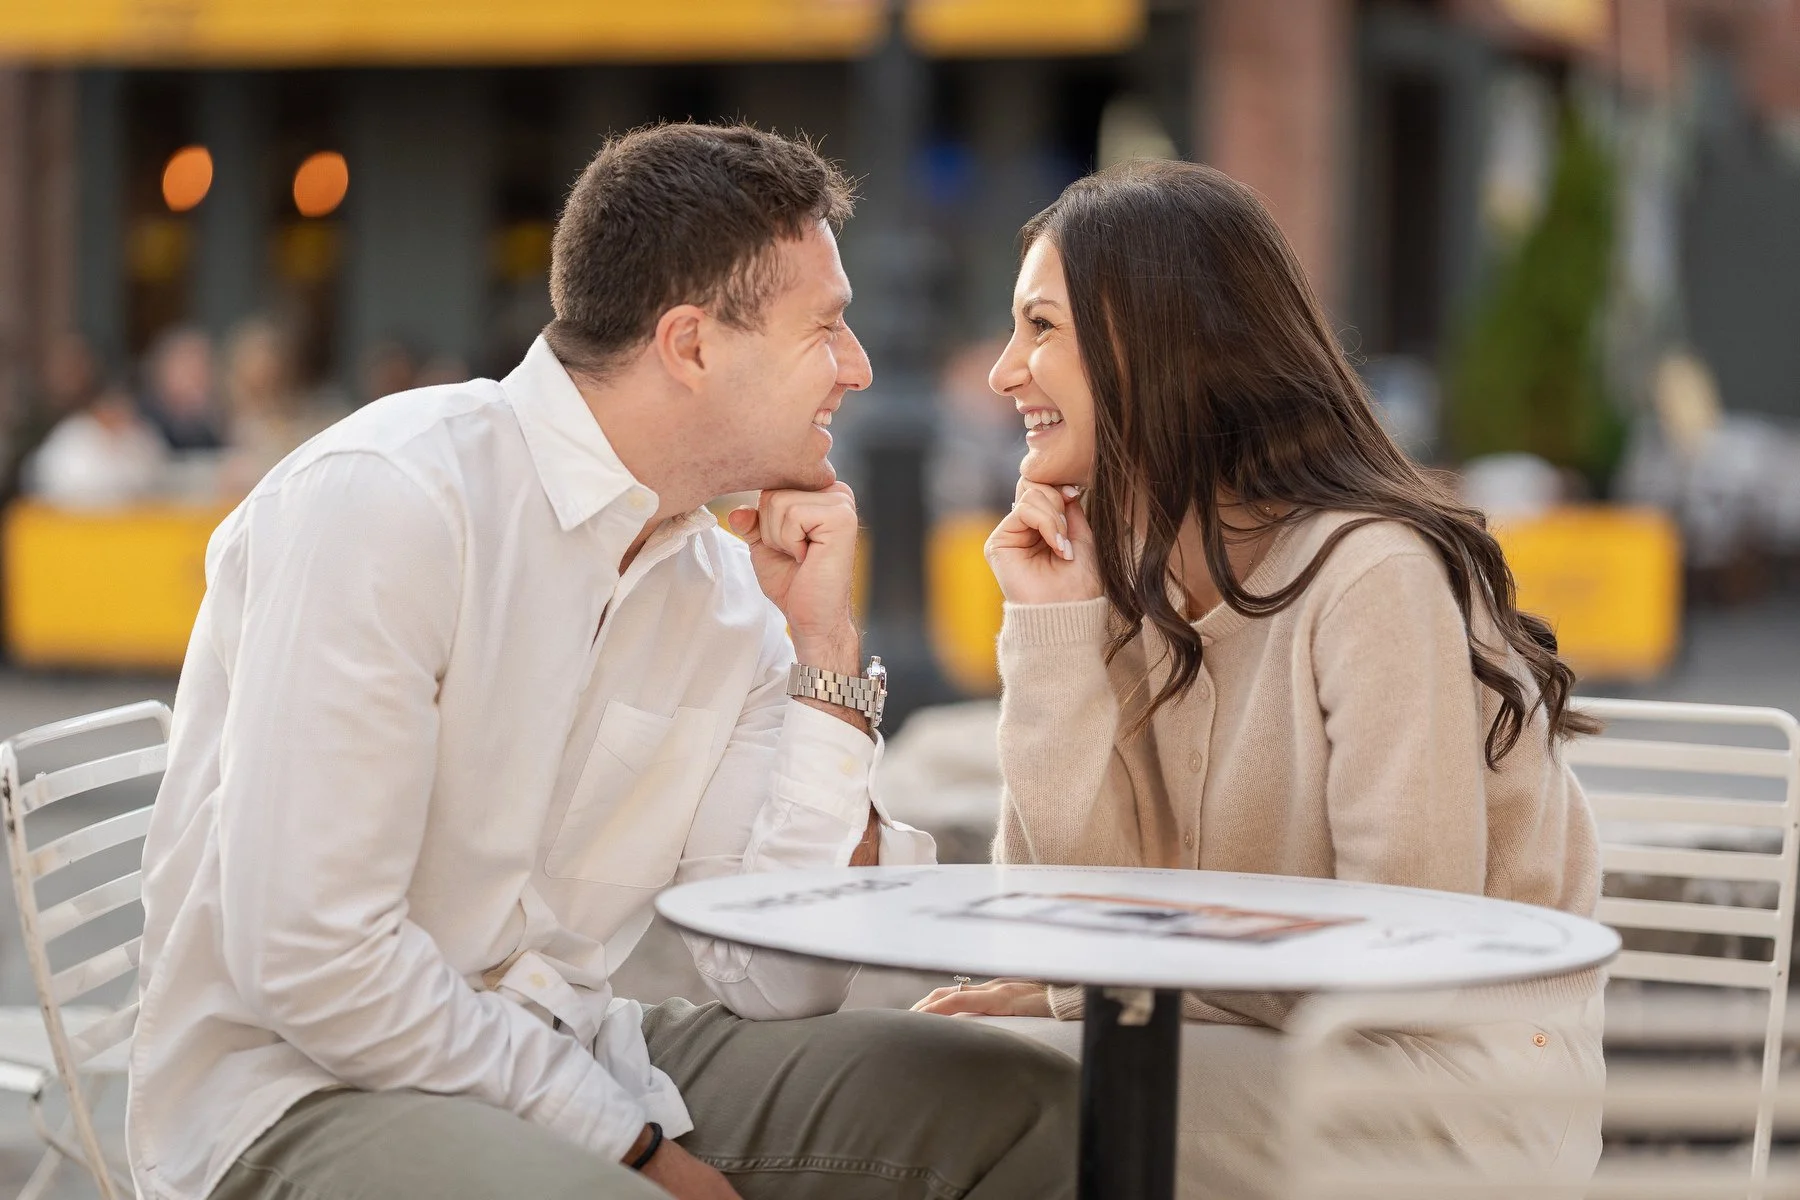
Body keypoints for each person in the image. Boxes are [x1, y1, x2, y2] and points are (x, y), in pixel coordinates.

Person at [131, 123, 1077, 1200]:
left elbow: (781, 976)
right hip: (296, 1096)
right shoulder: (390, 501)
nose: (858, 368)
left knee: (1022, 1111)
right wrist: (625, 1146)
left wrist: (825, 651)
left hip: (581, 1053)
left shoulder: (725, 594)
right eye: (828, 327)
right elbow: (314, 963)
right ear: (690, 345)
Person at [913, 160, 1605, 1197]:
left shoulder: (1371, 571)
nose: (1006, 370)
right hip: (1252, 1055)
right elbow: (1058, 926)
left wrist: (1085, 1004)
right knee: (937, 1076)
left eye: (1042, 327)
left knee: (988, 1103)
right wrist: (1051, 626)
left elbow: (1402, 953)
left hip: (1449, 1088)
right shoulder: (1123, 577)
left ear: (1160, 345)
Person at [24, 378, 167, 507]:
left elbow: (153, 479)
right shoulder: (73, 436)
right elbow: (55, 483)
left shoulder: (139, 436)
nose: (118, 413)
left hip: (130, 524)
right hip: (74, 523)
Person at [140, 325, 224, 451]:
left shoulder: (212, 419)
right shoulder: (142, 418)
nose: (197, 375)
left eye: (203, 365)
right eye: (188, 366)